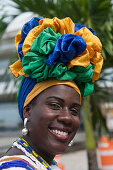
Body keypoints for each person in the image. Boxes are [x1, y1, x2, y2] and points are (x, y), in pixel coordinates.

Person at [0, 16, 103, 170]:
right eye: (55, 105)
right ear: (27, 110)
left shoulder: (41, 162)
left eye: (74, 110)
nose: (67, 117)